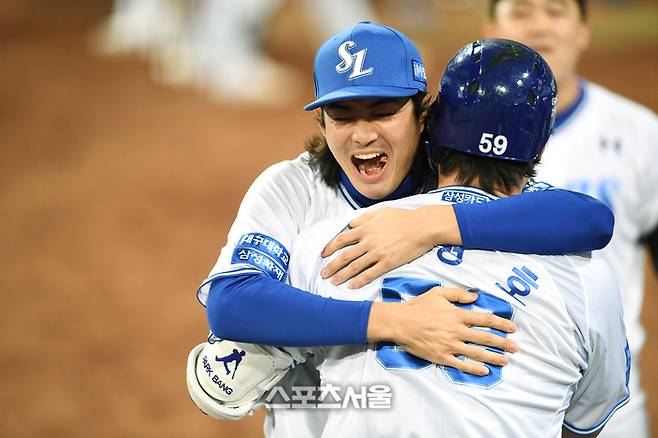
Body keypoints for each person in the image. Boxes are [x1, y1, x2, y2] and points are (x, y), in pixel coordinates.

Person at [187, 22, 613, 434]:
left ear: (422, 115)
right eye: (342, 116)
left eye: (383, 112)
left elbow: (590, 219)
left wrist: (430, 224)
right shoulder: (293, 188)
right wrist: (394, 322)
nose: (363, 135)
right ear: (322, 123)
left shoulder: (456, 170)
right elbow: (231, 302)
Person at [483, 2, 658, 436]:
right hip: (487, 406)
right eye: (521, 12)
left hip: (609, 404)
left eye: (556, 12)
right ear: (492, 31)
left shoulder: (640, 134)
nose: (540, 26)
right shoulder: (454, 139)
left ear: (583, 31)